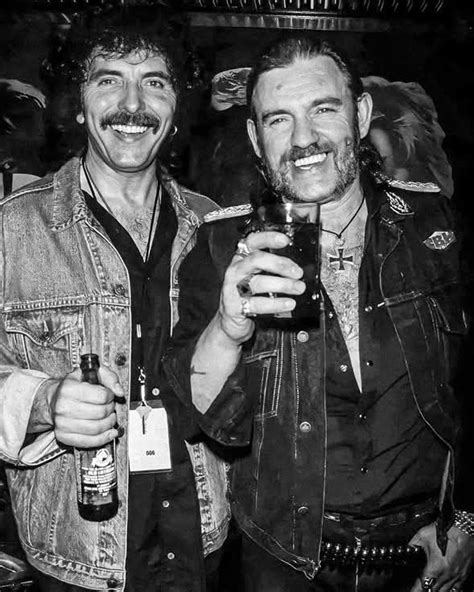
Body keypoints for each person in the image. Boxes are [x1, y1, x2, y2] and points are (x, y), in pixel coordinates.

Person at [165, 36, 474, 592]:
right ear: (255, 139)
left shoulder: (437, 227)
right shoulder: (219, 247)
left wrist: (469, 518)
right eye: (279, 119)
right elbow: (200, 418)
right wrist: (227, 330)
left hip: (423, 554)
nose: (303, 138)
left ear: (360, 115)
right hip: (281, 562)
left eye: (323, 109)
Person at [0, 9, 230, 592]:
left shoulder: (216, 227)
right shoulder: (12, 229)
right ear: (78, 105)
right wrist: (42, 401)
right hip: (78, 554)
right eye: (108, 80)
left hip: (201, 538)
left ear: (176, 107)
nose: (133, 104)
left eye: (154, 81)